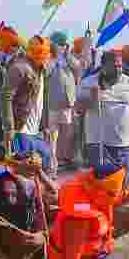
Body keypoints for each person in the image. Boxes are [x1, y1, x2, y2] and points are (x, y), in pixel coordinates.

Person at [76, 50, 129, 171]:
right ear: (103, 67)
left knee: (123, 184)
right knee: (102, 184)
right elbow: (78, 109)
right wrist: (92, 99)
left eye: (120, 66)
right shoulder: (88, 83)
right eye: (114, 66)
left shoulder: (128, 82)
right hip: (98, 145)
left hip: (123, 145)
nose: (118, 70)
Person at [0, 32, 54, 169]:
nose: (42, 57)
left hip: (37, 131)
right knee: (24, 168)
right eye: (38, 53)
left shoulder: (42, 70)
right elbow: (5, 97)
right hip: (20, 130)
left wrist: (45, 125)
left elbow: (43, 99)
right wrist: (9, 127)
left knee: (45, 161)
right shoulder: (19, 68)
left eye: (43, 54)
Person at [44, 33, 78, 172]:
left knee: (68, 135)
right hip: (52, 106)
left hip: (68, 105)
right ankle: (52, 165)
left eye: (64, 44)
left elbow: (77, 66)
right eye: (60, 44)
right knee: (52, 137)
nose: (62, 47)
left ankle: (65, 159)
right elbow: (45, 71)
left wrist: (67, 54)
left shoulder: (68, 58)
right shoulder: (48, 59)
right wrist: (55, 56)